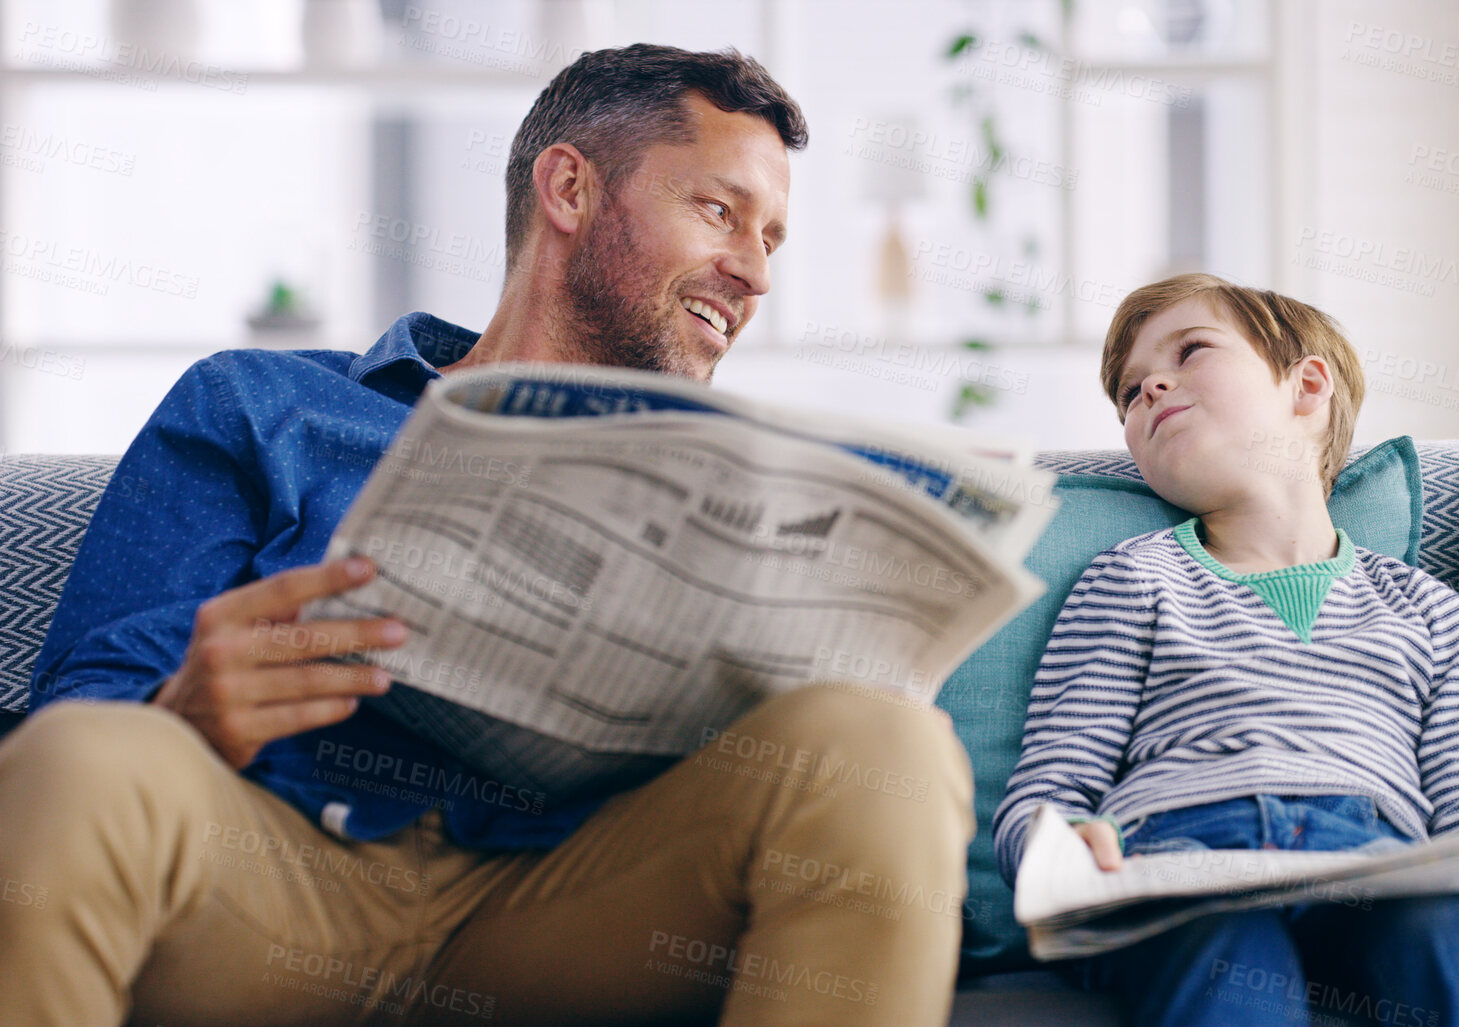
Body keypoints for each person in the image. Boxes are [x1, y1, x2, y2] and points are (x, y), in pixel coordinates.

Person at [0, 44, 973, 1027]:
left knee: (885, 744)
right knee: (83, 758)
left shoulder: (747, 491)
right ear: (569, 189)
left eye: (773, 239)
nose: (754, 272)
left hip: (575, 905)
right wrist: (181, 711)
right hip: (271, 881)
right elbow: (77, 710)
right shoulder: (262, 405)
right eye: (720, 213)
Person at [992, 273, 1459, 1027]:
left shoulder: (1433, 612)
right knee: (1226, 950)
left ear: (1306, 388)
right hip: (1180, 863)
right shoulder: (1129, 577)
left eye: (1190, 350)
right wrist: (1062, 845)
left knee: (1457, 935)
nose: (1151, 387)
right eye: (1130, 393)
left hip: (1379, 870)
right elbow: (1052, 778)